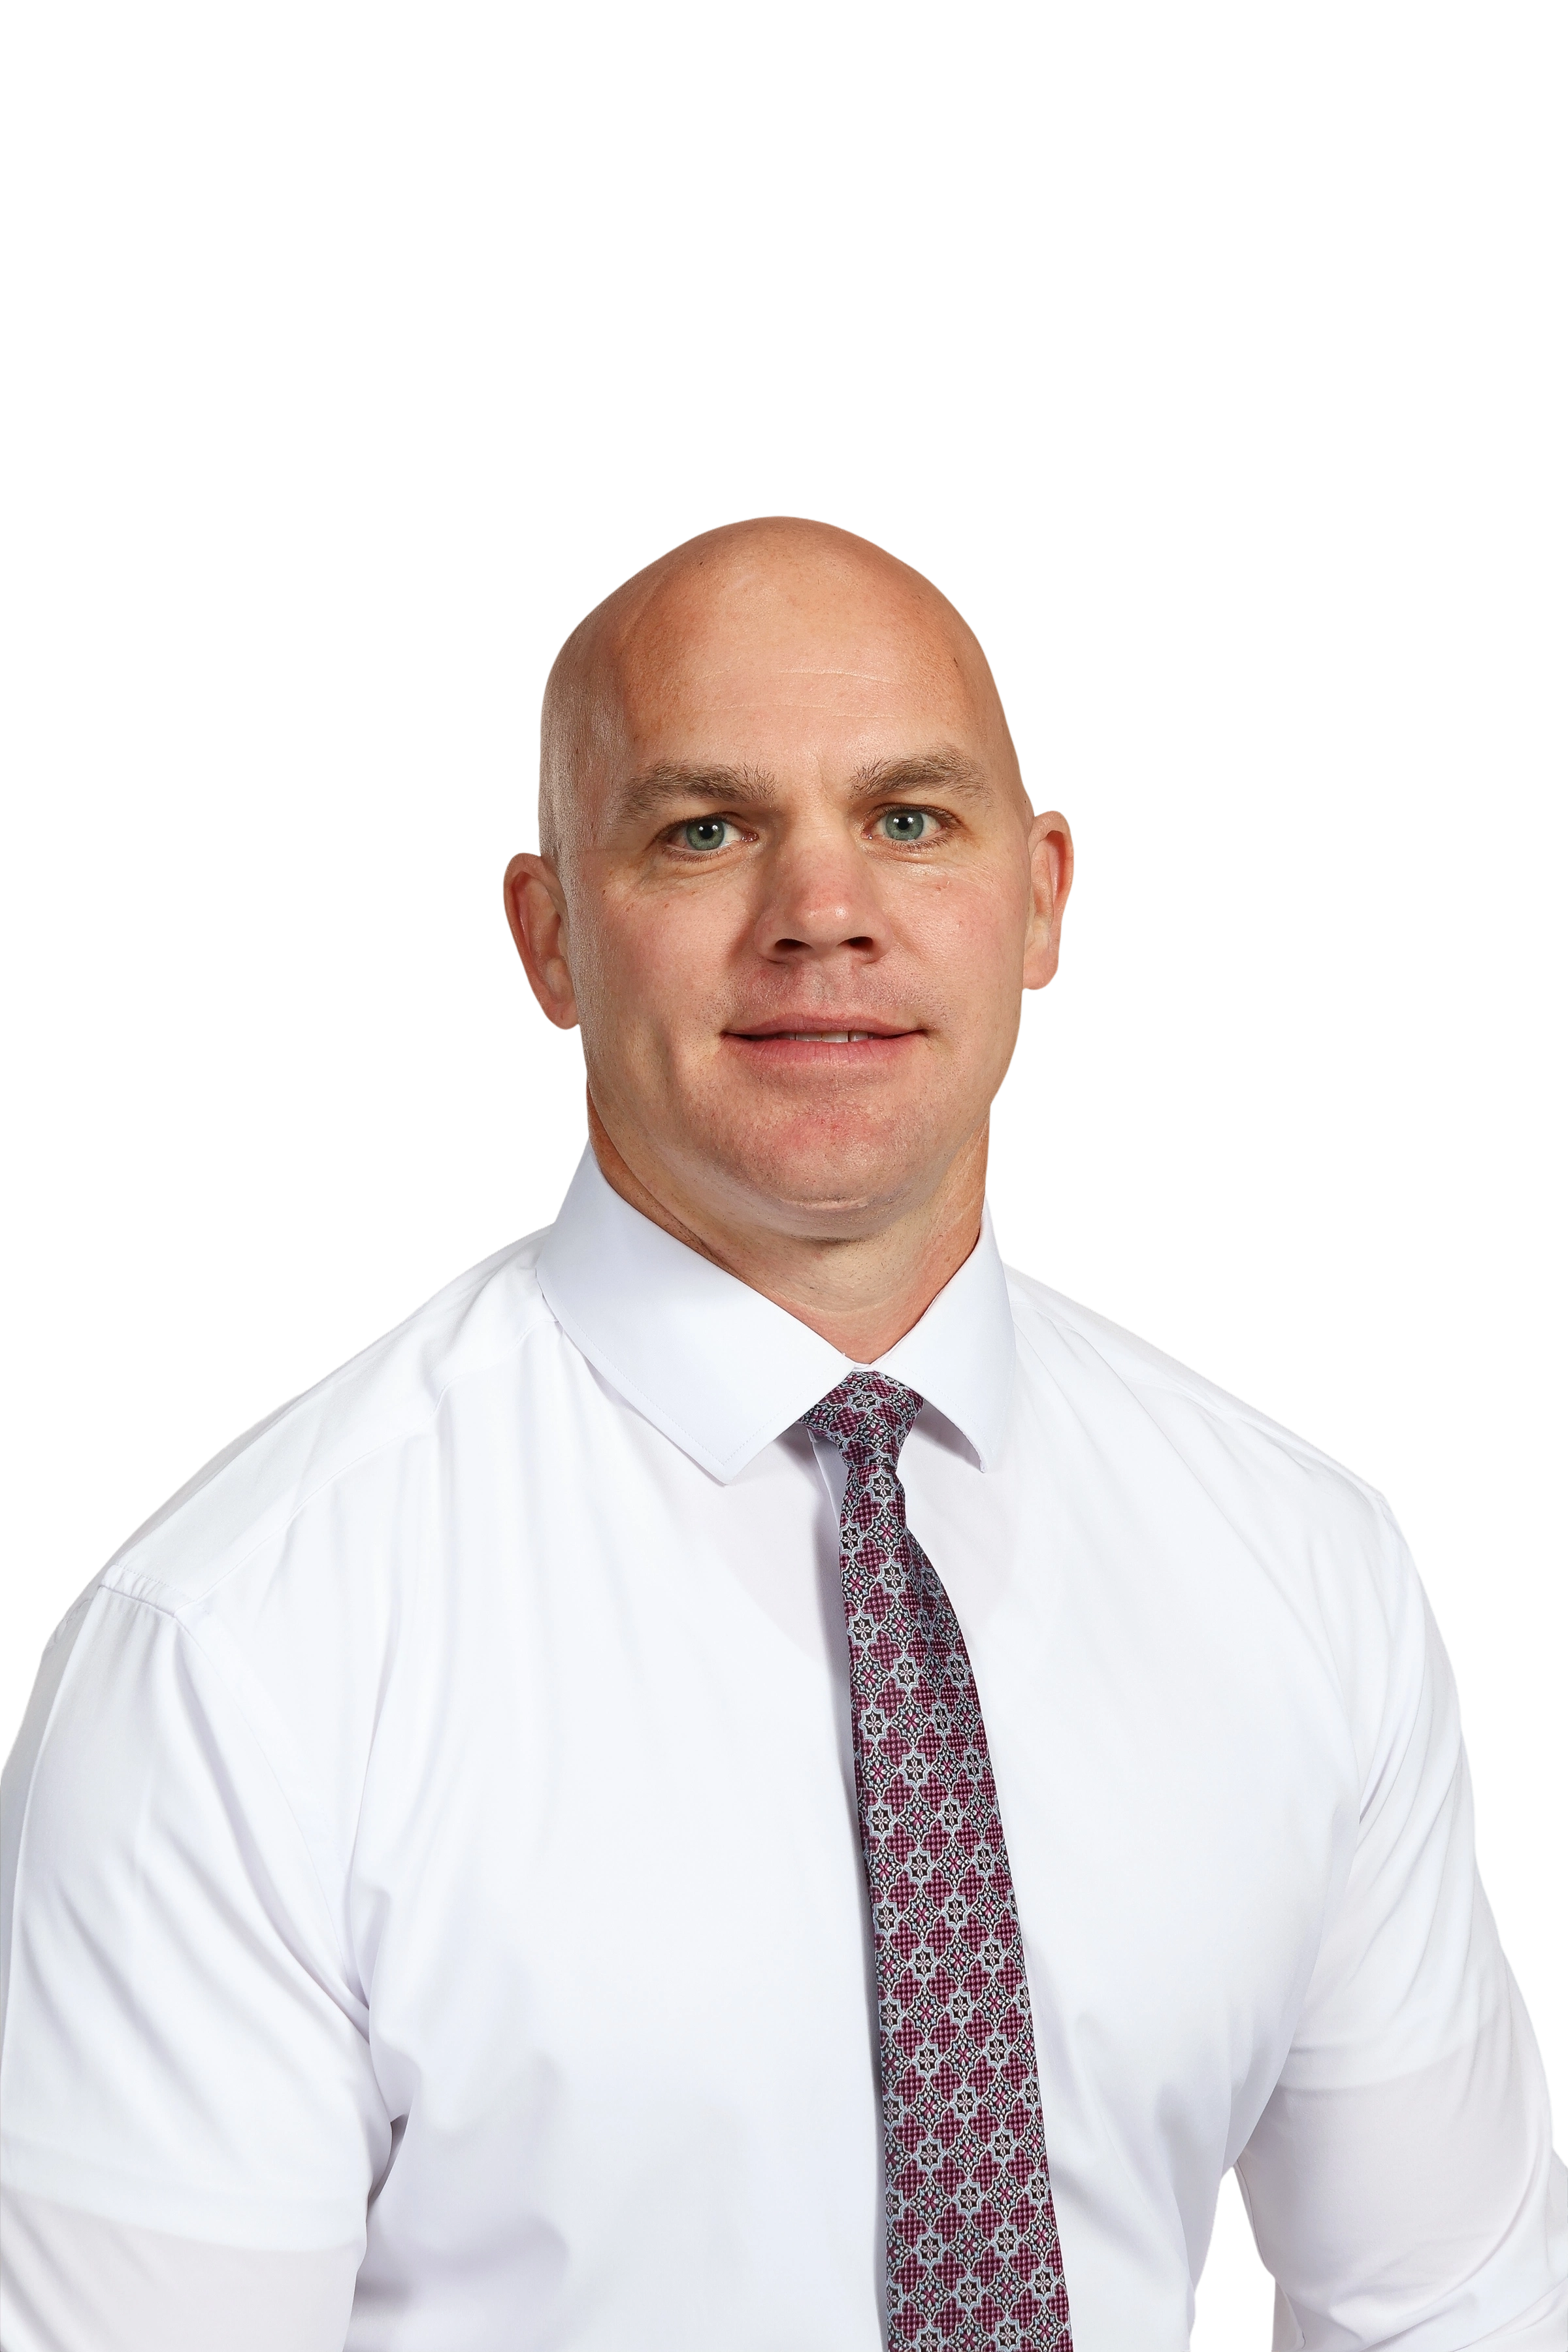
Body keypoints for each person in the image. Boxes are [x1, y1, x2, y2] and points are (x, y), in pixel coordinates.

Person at [1, 516, 1561, 2351]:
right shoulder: (242, 1650)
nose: (823, 911)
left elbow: (1445, 2308)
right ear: (547, 937)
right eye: (705, 830)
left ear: (1045, 897)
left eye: (910, 818)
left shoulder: (1306, 1566)